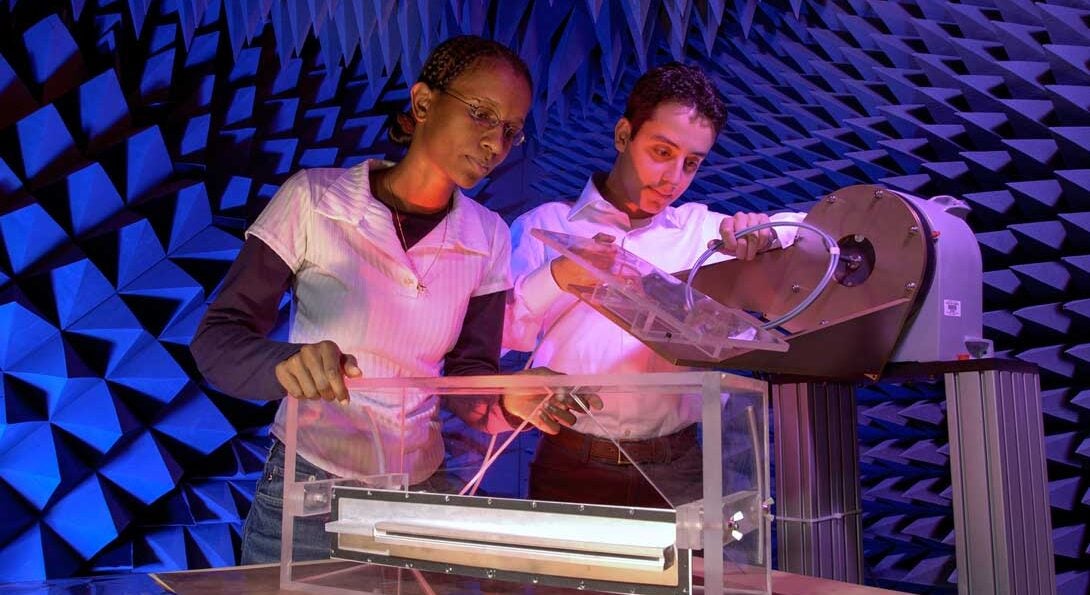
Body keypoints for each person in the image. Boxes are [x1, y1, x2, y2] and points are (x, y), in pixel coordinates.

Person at [190, 35, 537, 564]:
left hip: (417, 494)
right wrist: (289, 364)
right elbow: (217, 339)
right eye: (482, 115)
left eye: (511, 130)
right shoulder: (314, 199)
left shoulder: (488, 236)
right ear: (423, 103)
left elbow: (469, 375)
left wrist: (509, 401)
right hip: (308, 488)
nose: (496, 143)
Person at [503, 62, 804, 508]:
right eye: (662, 152)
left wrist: (766, 230)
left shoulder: (699, 230)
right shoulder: (543, 225)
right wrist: (557, 277)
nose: (673, 179)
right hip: (571, 464)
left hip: (679, 466)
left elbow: (807, 228)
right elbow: (502, 333)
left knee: (693, 580)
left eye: (691, 164)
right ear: (624, 135)